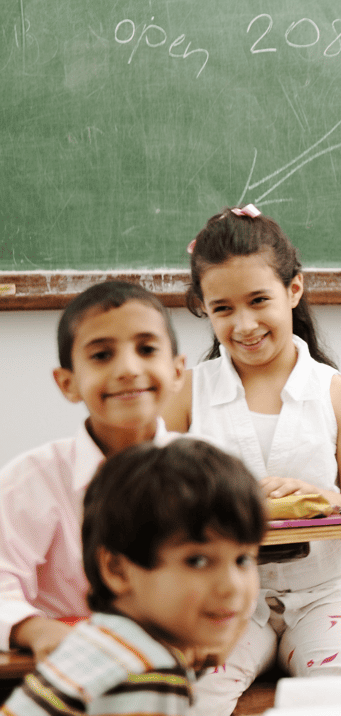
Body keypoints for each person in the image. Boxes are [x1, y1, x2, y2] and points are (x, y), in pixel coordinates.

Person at [165, 205, 341, 716]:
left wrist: (327, 502)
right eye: (223, 308)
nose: (244, 324)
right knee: (176, 698)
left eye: (258, 301)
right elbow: (144, 508)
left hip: (328, 593)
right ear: (202, 308)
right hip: (221, 598)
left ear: (293, 291)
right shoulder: (186, 394)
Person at [1, 437, 265, 716]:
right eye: (197, 561)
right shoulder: (147, 673)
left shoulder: (103, 639)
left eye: (243, 559)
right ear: (117, 570)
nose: (232, 587)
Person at [0, 281, 186, 662]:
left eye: (147, 349)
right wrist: (35, 630)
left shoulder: (205, 475)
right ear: (67, 383)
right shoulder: (31, 480)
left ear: (178, 371)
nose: (129, 369)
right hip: (63, 664)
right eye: (102, 355)